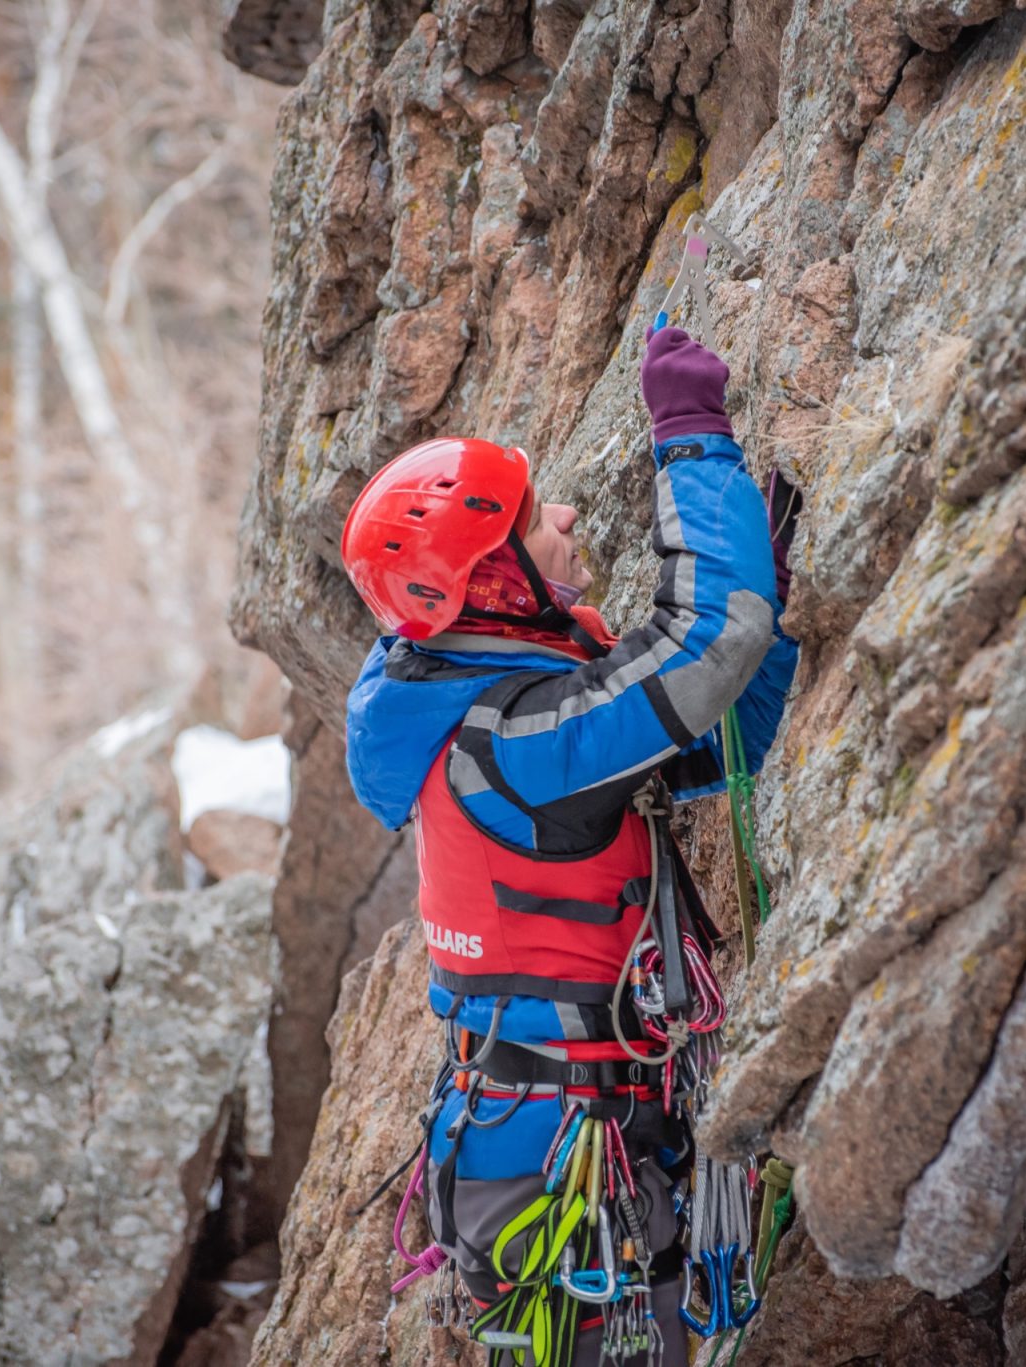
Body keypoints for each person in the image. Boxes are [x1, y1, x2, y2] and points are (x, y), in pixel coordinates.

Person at [340, 326, 798, 1366]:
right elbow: (700, 640)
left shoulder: (472, 720)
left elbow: (703, 751)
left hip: (552, 1138)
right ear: (493, 581)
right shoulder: (513, 745)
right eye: (531, 522)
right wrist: (691, 438)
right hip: (575, 1157)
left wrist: (768, 612)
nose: (565, 514)